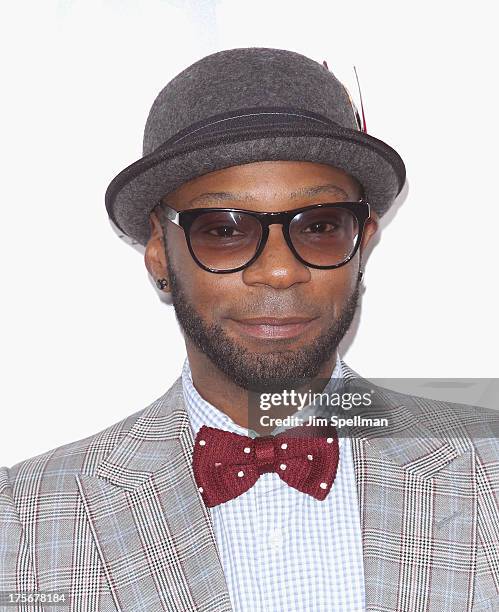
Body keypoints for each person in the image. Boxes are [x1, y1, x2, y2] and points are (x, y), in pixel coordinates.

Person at [1, 47, 498, 612]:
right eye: (225, 229)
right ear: (161, 253)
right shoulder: (25, 515)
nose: (280, 270)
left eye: (321, 225)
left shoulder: (486, 468)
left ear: (363, 239)